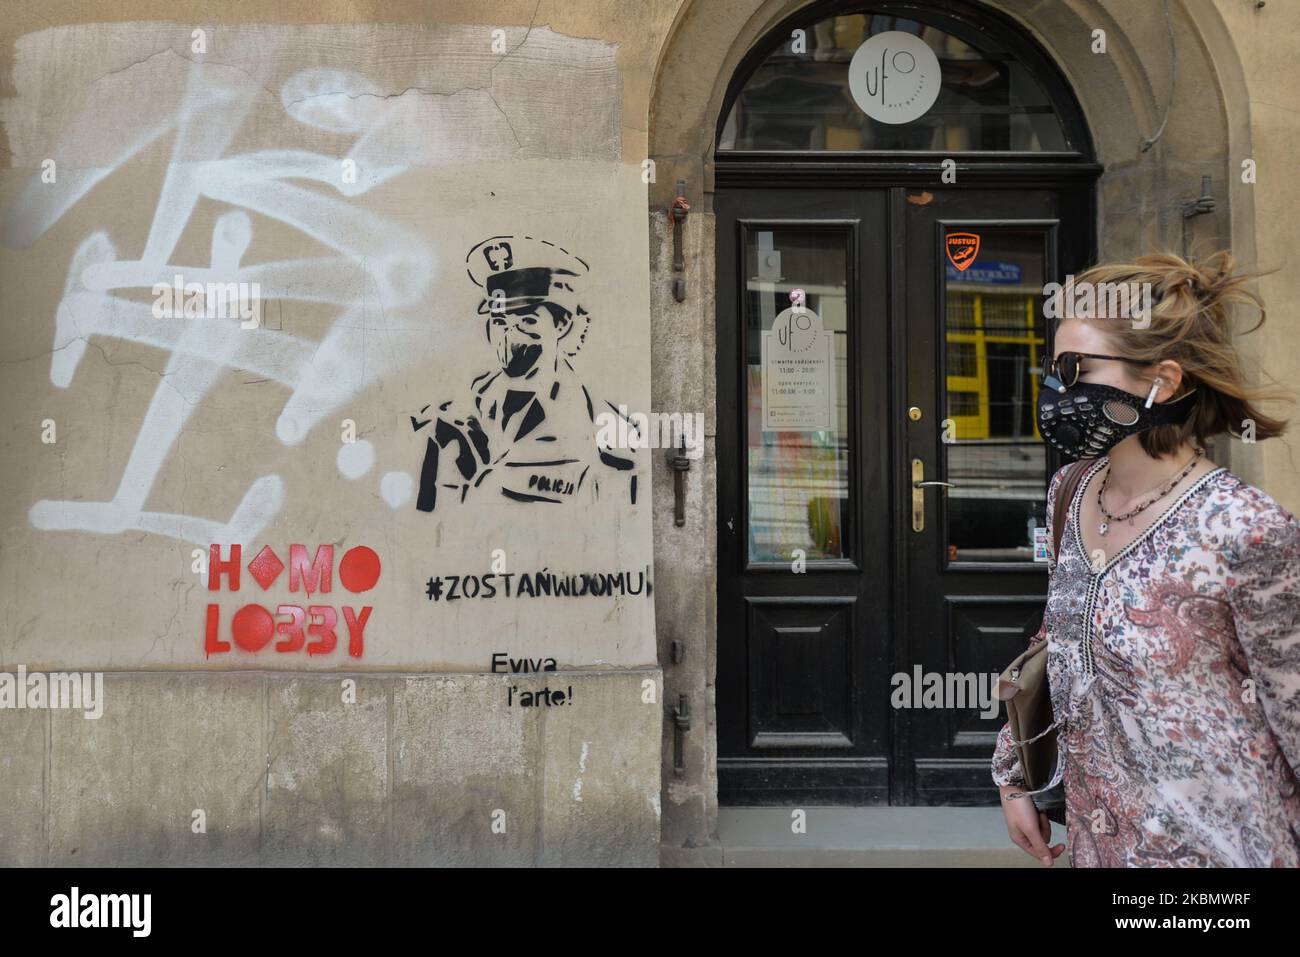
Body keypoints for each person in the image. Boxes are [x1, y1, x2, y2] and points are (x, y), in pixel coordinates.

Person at [992, 250, 1300, 867]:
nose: (1058, 388)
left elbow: (1292, 704)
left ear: (1161, 380)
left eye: (1076, 367)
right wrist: (1014, 772)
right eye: (1055, 367)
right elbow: (1056, 640)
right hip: (1097, 846)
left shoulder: (1244, 528)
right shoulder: (1069, 493)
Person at [412, 234, 639, 511]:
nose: (510, 334)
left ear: (562, 324)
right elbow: (429, 516)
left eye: (527, 320)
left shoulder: (606, 432)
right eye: (499, 320)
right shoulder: (455, 417)